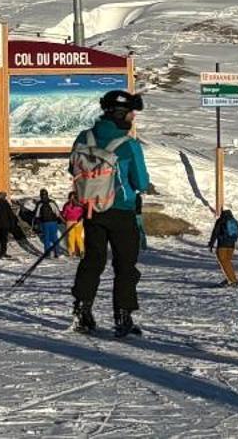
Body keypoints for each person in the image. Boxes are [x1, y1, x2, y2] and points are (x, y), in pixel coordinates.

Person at [69, 89, 152, 338]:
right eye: (131, 114)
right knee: (125, 266)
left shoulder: (84, 137)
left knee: (92, 261)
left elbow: (72, 168)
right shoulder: (128, 145)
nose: (133, 118)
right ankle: (123, 316)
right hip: (122, 211)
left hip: (92, 209)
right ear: (122, 114)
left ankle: (82, 311)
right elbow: (141, 182)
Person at [208, 206, 238, 286]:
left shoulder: (221, 221)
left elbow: (215, 233)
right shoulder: (233, 221)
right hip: (231, 246)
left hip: (222, 245)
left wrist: (211, 244)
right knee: (228, 262)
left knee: (223, 262)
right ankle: (230, 278)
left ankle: (232, 281)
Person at [0, 190, 27, 257]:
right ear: (1, 196)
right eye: (4, 196)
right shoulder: (4, 203)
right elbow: (10, 213)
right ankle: (2, 252)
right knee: (3, 239)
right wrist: (14, 221)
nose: (5, 197)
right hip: (4, 223)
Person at [33, 190, 63, 257]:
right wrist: (61, 220)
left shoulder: (40, 203)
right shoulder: (51, 202)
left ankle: (47, 253)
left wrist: (36, 223)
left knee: (46, 238)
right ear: (47, 194)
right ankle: (57, 252)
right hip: (53, 222)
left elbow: (37, 215)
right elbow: (57, 213)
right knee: (54, 237)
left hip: (44, 223)